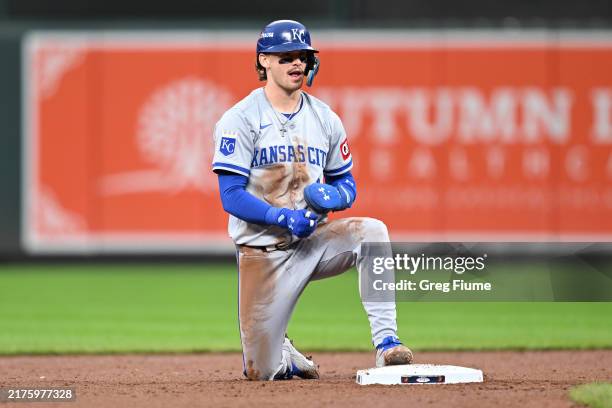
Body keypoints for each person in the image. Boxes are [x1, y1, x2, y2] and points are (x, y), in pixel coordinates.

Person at [211, 19, 412, 381]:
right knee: (262, 372)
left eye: (302, 56)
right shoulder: (240, 118)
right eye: (285, 56)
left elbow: (346, 182)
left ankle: (387, 342)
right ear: (264, 62)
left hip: (311, 244)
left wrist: (337, 195)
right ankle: (282, 354)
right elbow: (231, 196)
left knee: (372, 231)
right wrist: (283, 217)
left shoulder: (324, 118)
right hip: (262, 254)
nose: (296, 64)